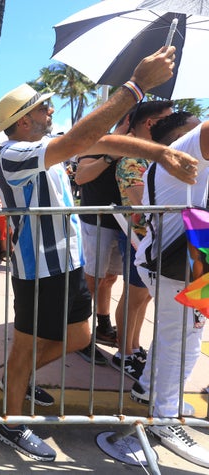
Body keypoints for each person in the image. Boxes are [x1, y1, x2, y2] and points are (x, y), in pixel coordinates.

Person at [0, 45, 198, 462]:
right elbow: (83, 139)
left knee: (80, 336)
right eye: (44, 108)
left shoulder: (44, 145)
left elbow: (102, 140)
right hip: (38, 269)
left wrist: (160, 152)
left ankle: (19, 380)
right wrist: (136, 85)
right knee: (23, 350)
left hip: (68, 263)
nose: (51, 112)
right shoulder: (12, 154)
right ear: (23, 120)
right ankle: (11, 422)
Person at [131, 112, 209, 468]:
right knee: (185, 342)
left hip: (171, 261)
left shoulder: (167, 163)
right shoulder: (186, 147)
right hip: (181, 266)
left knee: (171, 336)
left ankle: (148, 389)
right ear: (179, 137)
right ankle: (165, 418)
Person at [110, 101, 173, 381]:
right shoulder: (132, 160)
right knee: (134, 297)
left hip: (154, 238)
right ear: (151, 123)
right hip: (139, 239)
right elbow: (142, 203)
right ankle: (123, 352)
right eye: (167, 119)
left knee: (143, 297)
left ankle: (133, 347)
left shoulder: (150, 157)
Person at [73, 119, 128, 365]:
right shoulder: (97, 143)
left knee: (109, 279)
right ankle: (79, 336)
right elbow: (81, 177)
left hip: (122, 223)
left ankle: (103, 325)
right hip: (96, 221)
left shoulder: (141, 145)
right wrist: (109, 157)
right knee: (92, 280)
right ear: (128, 120)